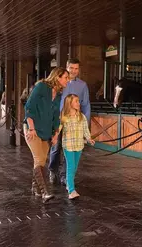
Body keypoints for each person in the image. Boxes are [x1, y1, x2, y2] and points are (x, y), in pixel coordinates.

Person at [23, 67, 69, 203]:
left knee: (42, 160)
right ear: (57, 77)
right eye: (66, 77)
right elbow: (29, 108)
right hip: (33, 129)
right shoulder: (41, 87)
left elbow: (56, 116)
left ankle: (35, 187)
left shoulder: (59, 95)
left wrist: (55, 135)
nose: (68, 80)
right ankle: (45, 192)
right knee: (39, 159)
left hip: (46, 132)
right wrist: (31, 129)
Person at [48, 58, 91, 186]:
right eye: (71, 68)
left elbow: (86, 105)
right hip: (59, 121)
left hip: (74, 123)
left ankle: (65, 176)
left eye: (76, 68)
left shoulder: (82, 85)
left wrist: (85, 125)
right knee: (56, 148)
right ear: (66, 67)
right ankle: (53, 171)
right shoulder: (60, 82)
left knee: (70, 149)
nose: (73, 71)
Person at [59, 94, 95, 199]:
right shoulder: (64, 117)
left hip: (79, 145)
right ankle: (71, 191)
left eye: (78, 101)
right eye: (76, 101)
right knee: (70, 167)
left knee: (74, 168)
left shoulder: (81, 117)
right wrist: (54, 137)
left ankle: (69, 184)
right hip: (68, 146)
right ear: (69, 103)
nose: (79, 103)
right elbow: (58, 129)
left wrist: (89, 139)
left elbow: (85, 130)